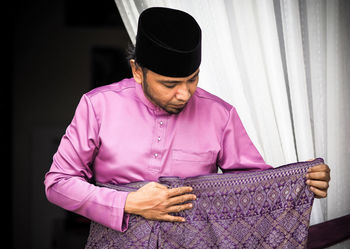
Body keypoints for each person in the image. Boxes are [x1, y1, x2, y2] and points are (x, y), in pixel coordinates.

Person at [44, 7, 330, 233]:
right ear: (137, 71)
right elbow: (58, 183)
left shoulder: (220, 114)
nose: (184, 94)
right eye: (169, 84)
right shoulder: (97, 106)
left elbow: (253, 188)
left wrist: (302, 180)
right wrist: (129, 202)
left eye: (192, 79)